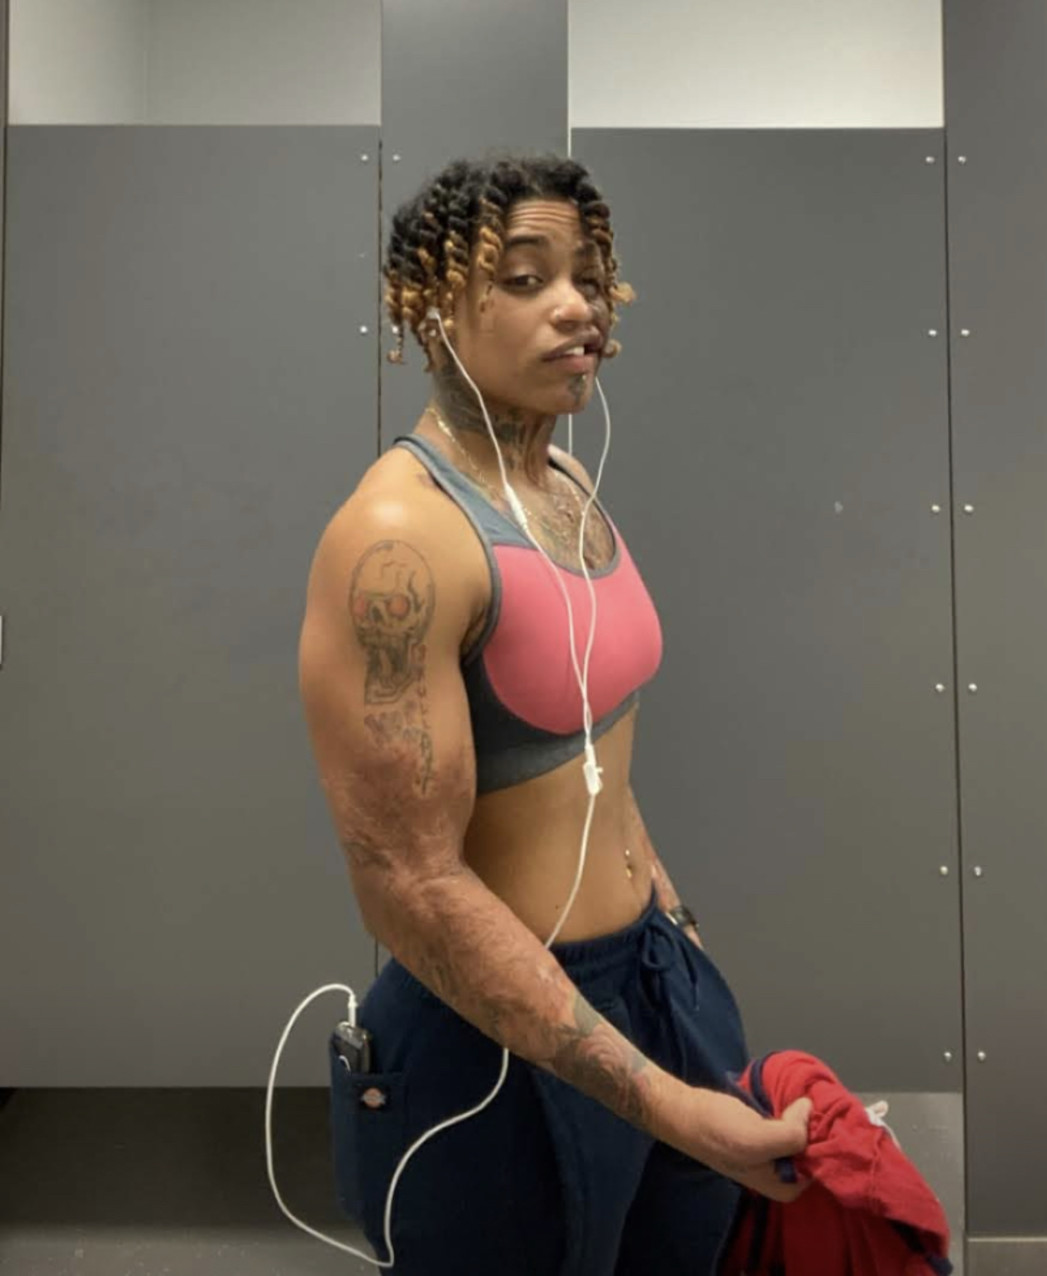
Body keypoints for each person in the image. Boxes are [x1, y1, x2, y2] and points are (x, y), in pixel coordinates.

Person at [298, 153, 809, 1276]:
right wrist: (666, 1103)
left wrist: (678, 947)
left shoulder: (568, 485)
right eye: (528, 279)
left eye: (588, 276)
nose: (579, 307)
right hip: (492, 1041)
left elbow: (600, 756)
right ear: (432, 308)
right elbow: (411, 885)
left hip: (652, 984)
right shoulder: (400, 540)